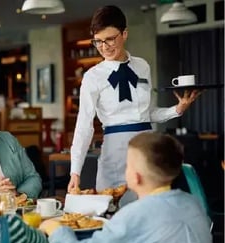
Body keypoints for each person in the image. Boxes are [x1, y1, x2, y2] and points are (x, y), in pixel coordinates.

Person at [67, 5, 201, 198]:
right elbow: (84, 125)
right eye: (98, 41)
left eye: (110, 39)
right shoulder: (92, 77)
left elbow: (148, 113)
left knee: (151, 207)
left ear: (124, 34)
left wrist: (177, 109)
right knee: (112, 209)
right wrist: (75, 171)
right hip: (114, 151)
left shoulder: (142, 66)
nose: (104, 47)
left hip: (148, 150)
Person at [41, 132, 213, 243]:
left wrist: (55, 228)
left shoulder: (136, 214)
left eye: (128, 165)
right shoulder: (193, 203)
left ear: (137, 177)